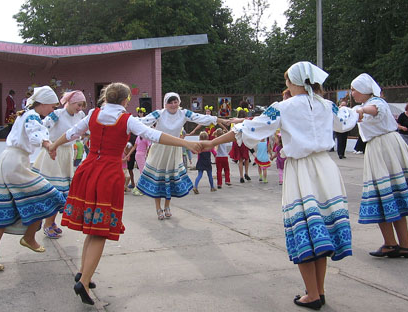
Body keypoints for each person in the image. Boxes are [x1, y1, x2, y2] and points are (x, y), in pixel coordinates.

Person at [203, 62, 355, 310]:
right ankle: (319, 290)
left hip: (301, 171)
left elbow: (248, 128)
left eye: (287, 81)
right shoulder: (327, 105)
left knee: (304, 232)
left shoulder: (283, 107)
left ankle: (313, 295)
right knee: (321, 231)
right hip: (326, 170)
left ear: (294, 82)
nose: (286, 86)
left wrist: (211, 143)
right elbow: (347, 121)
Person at [48, 83, 202, 305]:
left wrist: (53, 145)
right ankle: (84, 281)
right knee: (100, 230)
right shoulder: (126, 119)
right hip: (109, 174)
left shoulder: (93, 113)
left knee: (92, 227)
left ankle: (83, 273)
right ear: (125, 100)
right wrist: (186, 142)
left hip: (88, 170)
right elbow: (155, 135)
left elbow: (71, 133)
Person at [0, 86, 65, 271]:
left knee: (3, 208)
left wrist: (46, 145)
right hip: (15, 164)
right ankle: (28, 237)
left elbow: (34, 132)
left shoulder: (24, 115)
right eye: (51, 106)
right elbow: (36, 132)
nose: (52, 110)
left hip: (5, 161)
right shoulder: (32, 116)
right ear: (42, 104)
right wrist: (48, 144)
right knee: (48, 196)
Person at [347, 73, 408, 260]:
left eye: (354, 89)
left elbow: (374, 109)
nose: (352, 92)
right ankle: (403, 245)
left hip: (382, 149)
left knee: (382, 197)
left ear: (364, 90)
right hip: (385, 148)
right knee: (394, 198)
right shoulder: (364, 105)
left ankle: (391, 244)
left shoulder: (377, 102)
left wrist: (359, 111)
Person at [136, 92, 228, 220]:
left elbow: (200, 118)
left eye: (176, 102)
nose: (173, 105)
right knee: (158, 178)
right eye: (170, 102)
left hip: (174, 149)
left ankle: (167, 206)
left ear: (179, 102)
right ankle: (158, 208)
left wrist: (220, 120)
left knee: (171, 178)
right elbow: (142, 121)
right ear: (165, 103)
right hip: (159, 149)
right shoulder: (159, 113)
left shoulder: (183, 113)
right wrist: (124, 122)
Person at [32, 90, 86, 239]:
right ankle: (45, 223)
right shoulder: (57, 114)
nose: (80, 108)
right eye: (78, 104)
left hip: (67, 154)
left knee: (62, 192)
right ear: (69, 102)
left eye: (82, 105)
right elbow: (42, 128)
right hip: (54, 154)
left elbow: (84, 130)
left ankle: (50, 222)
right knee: (54, 191)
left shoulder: (80, 116)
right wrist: (48, 145)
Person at [229, 107, 251, 183]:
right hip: (244, 141)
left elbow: (231, 131)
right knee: (247, 158)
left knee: (240, 159)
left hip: (237, 141)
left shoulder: (234, 122)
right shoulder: (246, 122)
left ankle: (241, 176)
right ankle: (246, 173)